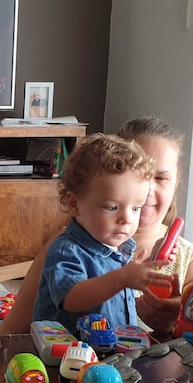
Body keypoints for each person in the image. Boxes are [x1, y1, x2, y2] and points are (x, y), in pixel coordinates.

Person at [0, 116, 193, 335]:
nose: (146, 191)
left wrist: (172, 321)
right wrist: (124, 279)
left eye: (160, 178)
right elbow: (10, 334)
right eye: (131, 175)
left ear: (177, 181)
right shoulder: (66, 247)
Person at [31, 133, 174, 329]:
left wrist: (146, 267)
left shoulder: (119, 250)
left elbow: (117, 297)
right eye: (112, 207)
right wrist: (122, 278)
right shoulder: (66, 250)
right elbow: (72, 298)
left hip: (112, 349)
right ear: (75, 204)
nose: (126, 219)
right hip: (67, 355)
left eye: (136, 208)